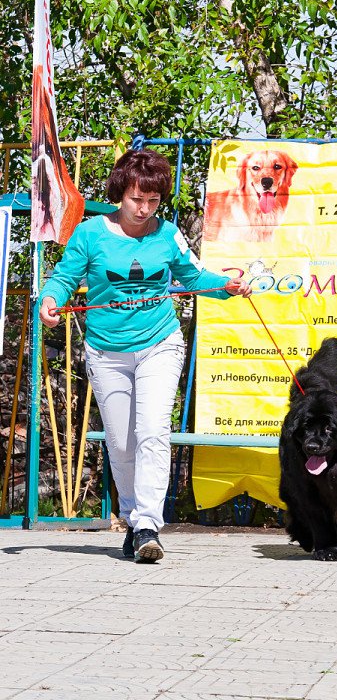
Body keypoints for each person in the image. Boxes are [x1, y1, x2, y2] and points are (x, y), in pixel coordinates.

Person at [39, 148, 252, 563]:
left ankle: (149, 526)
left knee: (152, 431)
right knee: (121, 443)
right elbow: (63, 278)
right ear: (120, 193)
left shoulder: (168, 234)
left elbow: (193, 276)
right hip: (106, 351)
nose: (144, 208)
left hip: (160, 343)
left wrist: (226, 286)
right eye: (137, 199)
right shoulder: (90, 234)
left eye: (153, 200)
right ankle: (133, 520)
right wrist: (50, 301)